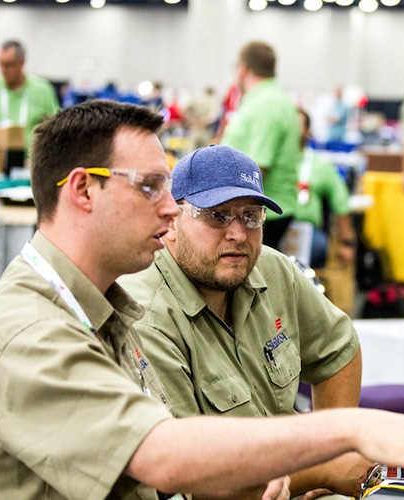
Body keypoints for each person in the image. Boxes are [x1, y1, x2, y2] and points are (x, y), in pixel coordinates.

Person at [0, 100, 404, 500]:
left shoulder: (97, 305)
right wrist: (345, 436)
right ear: (83, 190)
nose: (167, 210)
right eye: (151, 187)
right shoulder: (32, 331)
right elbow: (166, 458)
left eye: (250, 217)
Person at [119, 143, 366, 497]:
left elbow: (339, 350)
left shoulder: (271, 268)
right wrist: (322, 470)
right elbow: (194, 477)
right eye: (217, 215)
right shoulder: (147, 318)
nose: (238, 234)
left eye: (251, 216)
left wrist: (331, 453)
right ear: (171, 221)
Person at [221, 41, 300, 250]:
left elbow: (258, 166)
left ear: (243, 68)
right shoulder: (266, 99)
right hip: (252, 209)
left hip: (259, 212)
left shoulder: (267, 104)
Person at [0, 40, 60, 154]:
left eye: (9, 65)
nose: (3, 70)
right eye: (0, 64)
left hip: (29, 163)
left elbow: (56, 131)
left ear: (22, 62)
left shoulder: (43, 90)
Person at [292, 108, 356, 268]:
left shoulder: (320, 165)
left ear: (308, 131)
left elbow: (341, 203)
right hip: (271, 226)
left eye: (297, 125)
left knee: (317, 246)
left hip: (305, 229)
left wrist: (347, 243)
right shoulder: (270, 163)